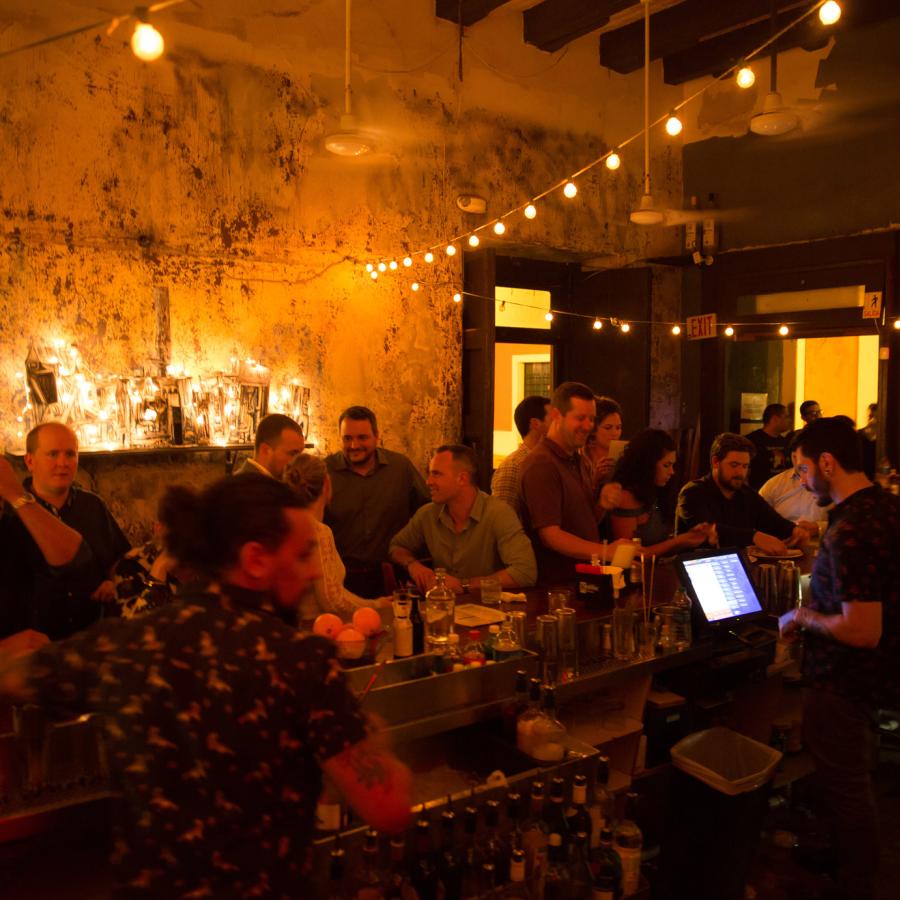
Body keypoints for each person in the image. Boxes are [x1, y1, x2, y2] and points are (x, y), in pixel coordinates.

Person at [0, 474, 412, 896]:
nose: (312, 572)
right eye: (303, 554)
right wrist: (369, 732)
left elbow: (15, 677)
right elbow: (389, 807)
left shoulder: (129, 642)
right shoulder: (298, 661)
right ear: (255, 560)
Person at [778, 417, 900, 900]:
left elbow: (861, 629)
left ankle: (857, 884)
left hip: (845, 678)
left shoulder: (850, 531)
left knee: (847, 784)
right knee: (853, 771)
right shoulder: (888, 508)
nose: (803, 481)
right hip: (879, 675)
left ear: (827, 463)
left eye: (803, 469)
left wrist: (803, 618)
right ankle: (842, 857)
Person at [0, 423, 130, 640]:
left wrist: (114, 582)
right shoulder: (10, 513)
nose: (63, 462)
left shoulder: (92, 506)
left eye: (70, 454)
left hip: (88, 637)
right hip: (31, 643)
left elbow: (120, 562)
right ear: (29, 461)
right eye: (53, 454)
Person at [389, 445, 537, 593]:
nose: (428, 482)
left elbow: (525, 572)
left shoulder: (498, 513)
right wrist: (413, 565)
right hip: (442, 608)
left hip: (489, 609)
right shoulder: (427, 514)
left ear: (462, 478)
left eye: (436, 474)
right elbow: (396, 547)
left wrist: (465, 585)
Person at [520, 382, 625, 585]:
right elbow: (550, 535)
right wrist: (606, 551)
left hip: (583, 581)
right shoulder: (541, 464)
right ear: (556, 416)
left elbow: (583, 522)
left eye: (592, 419)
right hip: (557, 587)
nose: (588, 426)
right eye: (580, 418)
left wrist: (602, 504)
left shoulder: (577, 460)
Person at [324, 406, 429, 597]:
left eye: (362, 437)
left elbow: (426, 513)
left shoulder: (400, 468)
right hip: (341, 581)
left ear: (376, 436)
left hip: (392, 579)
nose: (354, 445)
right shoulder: (324, 472)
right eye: (347, 438)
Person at [283, 453, 391, 626]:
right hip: (317, 628)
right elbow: (333, 600)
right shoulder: (318, 532)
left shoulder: (283, 525)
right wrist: (377, 605)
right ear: (326, 484)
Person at [675, 432, 805, 555]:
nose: (740, 473)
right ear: (716, 462)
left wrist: (794, 530)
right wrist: (753, 536)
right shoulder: (692, 493)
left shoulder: (746, 494)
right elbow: (707, 531)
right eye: (734, 465)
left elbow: (772, 521)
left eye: (745, 466)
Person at [609, 429, 711, 557]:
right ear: (648, 464)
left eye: (673, 465)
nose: (672, 472)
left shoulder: (655, 492)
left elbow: (659, 544)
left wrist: (689, 537)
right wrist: (679, 541)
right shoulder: (625, 497)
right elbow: (629, 555)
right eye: (666, 465)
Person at [490, 395, 550, 520]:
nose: (559, 424)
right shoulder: (513, 465)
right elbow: (501, 521)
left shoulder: (549, 461)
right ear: (535, 423)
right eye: (553, 419)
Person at [759, 434, 830, 526]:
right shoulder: (774, 484)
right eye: (794, 457)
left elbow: (846, 521)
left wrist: (819, 527)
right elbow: (756, 517)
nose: (798, 462)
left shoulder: (831, 483)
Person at [236, 412, 305, 478]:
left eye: (301, 455)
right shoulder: (246, 487)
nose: (300, 463)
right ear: (265, 450)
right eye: (293, 453)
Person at [746, 403, 790, 490]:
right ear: (775, 419)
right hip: (759, 493)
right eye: (786, 417)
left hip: (782, 493)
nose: (789, 420)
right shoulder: (751, 441)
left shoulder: (786, 442)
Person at [583, 396, 623, 492]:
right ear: (593, 429)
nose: (615, 433)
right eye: (608, 428)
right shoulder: (582, 457)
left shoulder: (623, 455)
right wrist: (595, 479)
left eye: (618, 427)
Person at [857, 402, 877, 480]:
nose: (872, 420)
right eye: (870, 416)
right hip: (861, 475)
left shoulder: (884, 437)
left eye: (876, 417)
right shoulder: (859, 434)